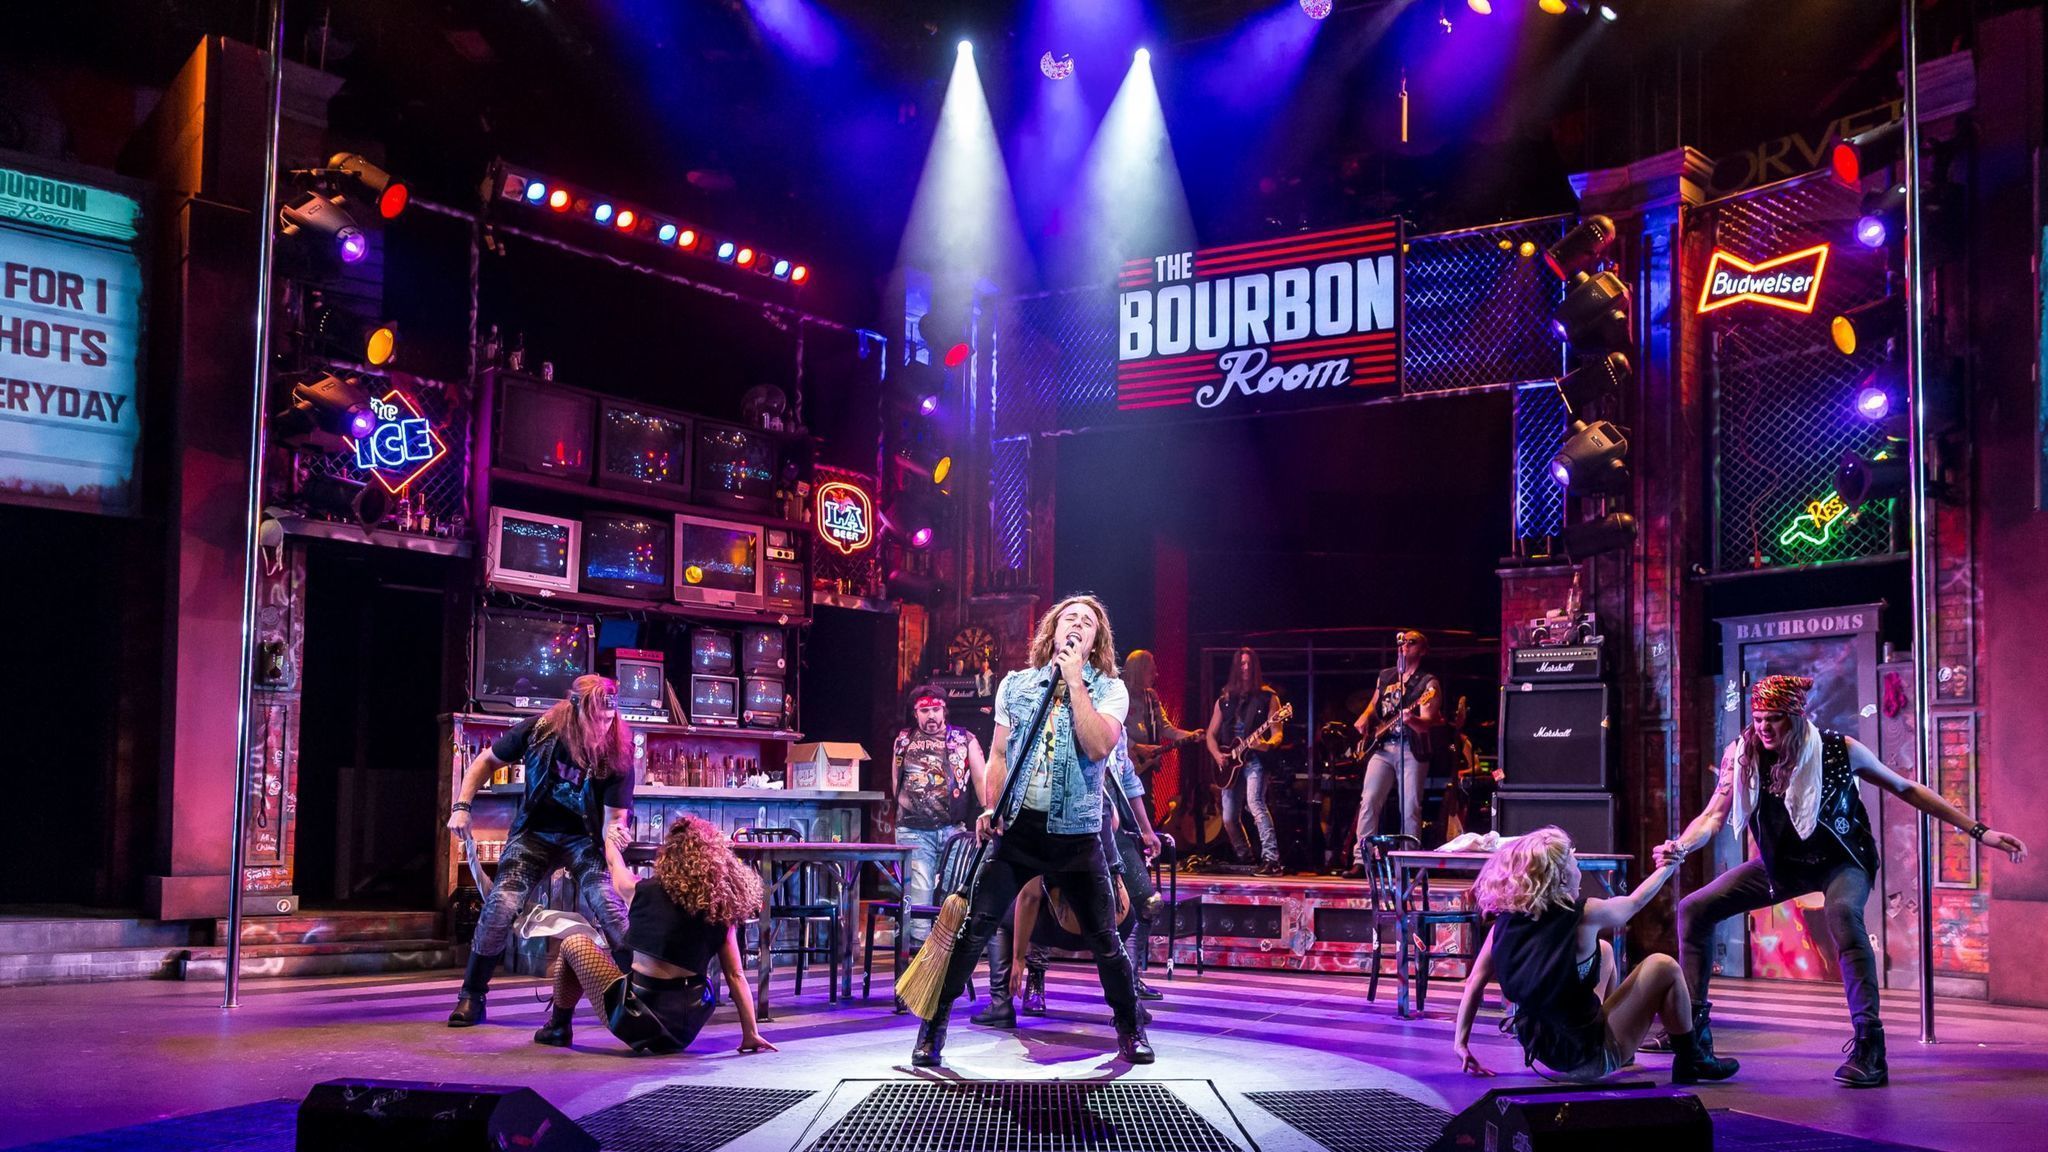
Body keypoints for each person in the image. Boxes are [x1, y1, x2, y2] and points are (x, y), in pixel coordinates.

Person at [1656, 675, 2029, 1088]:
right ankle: (1691, 1039)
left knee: (1843, 914)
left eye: (1774, 718)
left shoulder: (1839, 749)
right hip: (1785, 865)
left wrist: (1979, 831)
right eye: (1758, 718)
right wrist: (1681, 846)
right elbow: (1713, 815)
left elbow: (1906, 788)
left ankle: (1870, 1047)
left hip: (1842, 861)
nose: (1763, 727)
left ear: (1795, 717)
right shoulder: (1742, 755)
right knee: (1695, 909)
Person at [910, 594, 1153, 1067]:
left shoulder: (1110, 691)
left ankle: (1130, 1029)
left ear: (1096, 640)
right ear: (1053, 631)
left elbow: (1098, 746)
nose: (1077, 625)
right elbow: (1000, 755)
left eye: (1088, 622)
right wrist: (991, 806)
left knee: (1105, 940)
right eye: (1070, 618)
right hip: (1019, 831)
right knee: (972, 932)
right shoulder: (1016, 685)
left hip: (1077, 836)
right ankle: (931, 1031)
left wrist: (1075, 680)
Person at [1453, 827, 1738, 1085]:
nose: (1579, 865)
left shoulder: (1504, 924)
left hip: (1546, 1053)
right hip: (1588, 1058)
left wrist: (1461, 1043)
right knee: (1663, 966)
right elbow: (1634, 903)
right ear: (1561, 876)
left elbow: (1474, 982)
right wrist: (1669, 866)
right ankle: (1691, 1058)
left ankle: (1621, 1050)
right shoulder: (1584, 915)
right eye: (1574, 860)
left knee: (1604, 950)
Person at [446, 674, 634, 1026]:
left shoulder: (617, 751)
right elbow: (485, 761)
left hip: (584, 840)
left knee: (609, 905)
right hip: (535, 834)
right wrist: (461, 807)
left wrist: (617, 858)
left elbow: (613, 822)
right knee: (502, 904)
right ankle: (472, 995)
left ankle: (639, 994)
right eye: (595, 719)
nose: (602, 728)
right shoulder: (541, 730)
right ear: (575, 710)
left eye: (609, 720)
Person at [533, 815, 776, 1055]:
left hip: (637, 1018)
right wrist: (750, 1033)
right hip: (686, 1026)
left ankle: (558, 1027)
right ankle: (561, 1026)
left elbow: (615, 866)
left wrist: (610, 840)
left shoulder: (641, 890)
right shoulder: (719, 912)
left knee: (574, 943)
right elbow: (735, 975)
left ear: (669, 856)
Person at [979, 731, 1164, 1025]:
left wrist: (1018, 958)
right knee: (1054, 897)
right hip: (1101, 918)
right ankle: (1035, 985)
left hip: (1078, 908)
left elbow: (1126, 779)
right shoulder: (1089, 799)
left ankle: (1003, 1001)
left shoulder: (1108, 728)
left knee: (1003, 912)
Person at [888, 683, 986, 1013]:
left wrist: (988, 811)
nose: (931, 715)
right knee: (917, 901)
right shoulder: (903, 740)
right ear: (916, 712)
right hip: (913, 831)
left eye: (936, 709)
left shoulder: (964, 739)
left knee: (952, 902)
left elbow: (980, 779)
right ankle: (917, 981)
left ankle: (944, 978)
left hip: (953, 831)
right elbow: (896, 782)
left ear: (945, 709)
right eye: (924, 710)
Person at [1345, 630, 1442, 878]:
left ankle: (1409, 861)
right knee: (1369, 801)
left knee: (1409, 806)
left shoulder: (1428, 683)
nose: (1405, 645)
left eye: (1412, 642)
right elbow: (1374, 703)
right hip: (1382, 748)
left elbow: (1427, 723)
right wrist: (1365, 716)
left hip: (1410, 748)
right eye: (1402, 642)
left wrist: (1412, 719)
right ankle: (1363, 860)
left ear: (1422, 650)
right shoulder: (1386, 676)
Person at [1205, 647, 1284, 876]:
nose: (1246, 668)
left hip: (1255, 760)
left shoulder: (1268, 697)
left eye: (1249, 663)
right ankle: (1245, 857)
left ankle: (1271, 858)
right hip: (1231, 763)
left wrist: (1266, 744)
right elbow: (1210, 734)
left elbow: (1278, 732)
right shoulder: (1224, 699)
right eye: (1242, 664)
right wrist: (1217, 755)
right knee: (1229, 817)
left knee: (1255, 804)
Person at [1122, 649, 1200, 827]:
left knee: (1147, 812)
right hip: (1123, 764)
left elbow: (1165, 727)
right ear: (1139, 670)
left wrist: (1190, 735)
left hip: (1144, 766)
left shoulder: (1151, 697)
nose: (1156, 675)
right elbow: (1114, 729)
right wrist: (1136, 747)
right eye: (1151, 671)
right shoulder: (1119, 694)